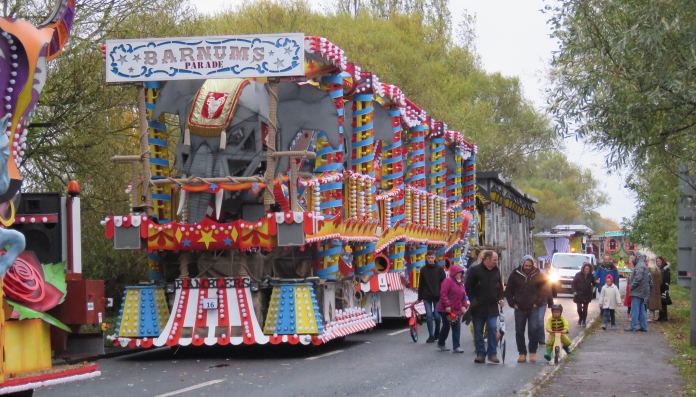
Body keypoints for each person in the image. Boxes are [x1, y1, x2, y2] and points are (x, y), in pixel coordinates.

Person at [465, 250, 505, 364]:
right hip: (478, 306)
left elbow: (499, 288)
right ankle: (481, 354)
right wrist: (473, 299)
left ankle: (492, 354)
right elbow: (468, 286)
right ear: (487, 259)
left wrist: (501, 298)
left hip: (492, 306)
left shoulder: (496, 271)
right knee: (478, 331)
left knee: (492, 328)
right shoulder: (475, 270)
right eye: (494, 260)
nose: (496, 262)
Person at [505, 254, 545, 363]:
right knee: (519, 331)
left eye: (529, 265)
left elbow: (543, 290)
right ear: (522, 264)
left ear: (532, 265)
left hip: (533, 307)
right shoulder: (515, 274)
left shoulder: (538, 275)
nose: (527, 267)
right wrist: (513, 304)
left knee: (533, 329)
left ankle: (532, 352)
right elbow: (508, 291)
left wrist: (538, 303)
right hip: (519, 307)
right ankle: (522, 353)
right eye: (526, 265)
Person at [436, 265, 468, 352]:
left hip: (456, 309)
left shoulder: (461, 283)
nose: (460, 275)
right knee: (447, 326)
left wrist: (464, 306)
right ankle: (441, 343)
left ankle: (456, 346)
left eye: (461, 273)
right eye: (458, 273)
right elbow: (443, 294)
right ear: (454, 273)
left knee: (456, 326)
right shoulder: (448, 281)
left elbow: (463, 296)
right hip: (446, 309)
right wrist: (447, 305)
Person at [417, 250, 446, 343]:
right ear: (426, 258)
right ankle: (431, 335)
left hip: (438, 296)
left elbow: (444, 283)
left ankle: (437, 331)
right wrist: (419, 296)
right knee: (429, 316)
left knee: (437, 316)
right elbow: (421, 283)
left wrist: (444, 295)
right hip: (427, 296)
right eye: (429, 258)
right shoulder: (423, 270)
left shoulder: (440, 269)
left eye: (432, 258)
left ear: (435, 258)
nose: (430, 260)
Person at [626, 254, 652, 332]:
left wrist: (632, 286)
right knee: (641, 309)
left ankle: (633, 326)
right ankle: (644, 326)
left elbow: (638, 278)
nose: (632, 258)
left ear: (636, 257)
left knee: (635, 309)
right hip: (642, 290)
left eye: (633, 256)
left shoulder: (639, 266)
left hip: (638, 291)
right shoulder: (642, 264)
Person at [536, 260, 555, 347]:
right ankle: (533, 338)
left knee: (540, 320)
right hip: (532, 303)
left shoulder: (544, 279)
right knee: (533, 322)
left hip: (542, 302)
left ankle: (541, 339)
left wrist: (551, 303)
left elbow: (548, 291)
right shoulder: (530, 280)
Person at [656, 256, 671, 322]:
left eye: (659, 261)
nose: (658, 262)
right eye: (657, 261)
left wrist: (666, 286)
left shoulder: (665, 269)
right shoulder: (660, 268)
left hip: (663, 287)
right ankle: (661, 316)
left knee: (663, 302)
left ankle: (664, 317)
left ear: (662, 261)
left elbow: (666, 279)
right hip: (660, 287)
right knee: (660, 302)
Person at [624, 257, 635, 321]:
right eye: (630, 263)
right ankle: (629, 315)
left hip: (634, 287)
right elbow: (627, 279)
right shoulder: (628, 271)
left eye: (632, 263)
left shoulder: (636, 270)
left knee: (634, 302)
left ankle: (633, 315)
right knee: (629, 303)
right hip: (629, 287)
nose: (631, 265)